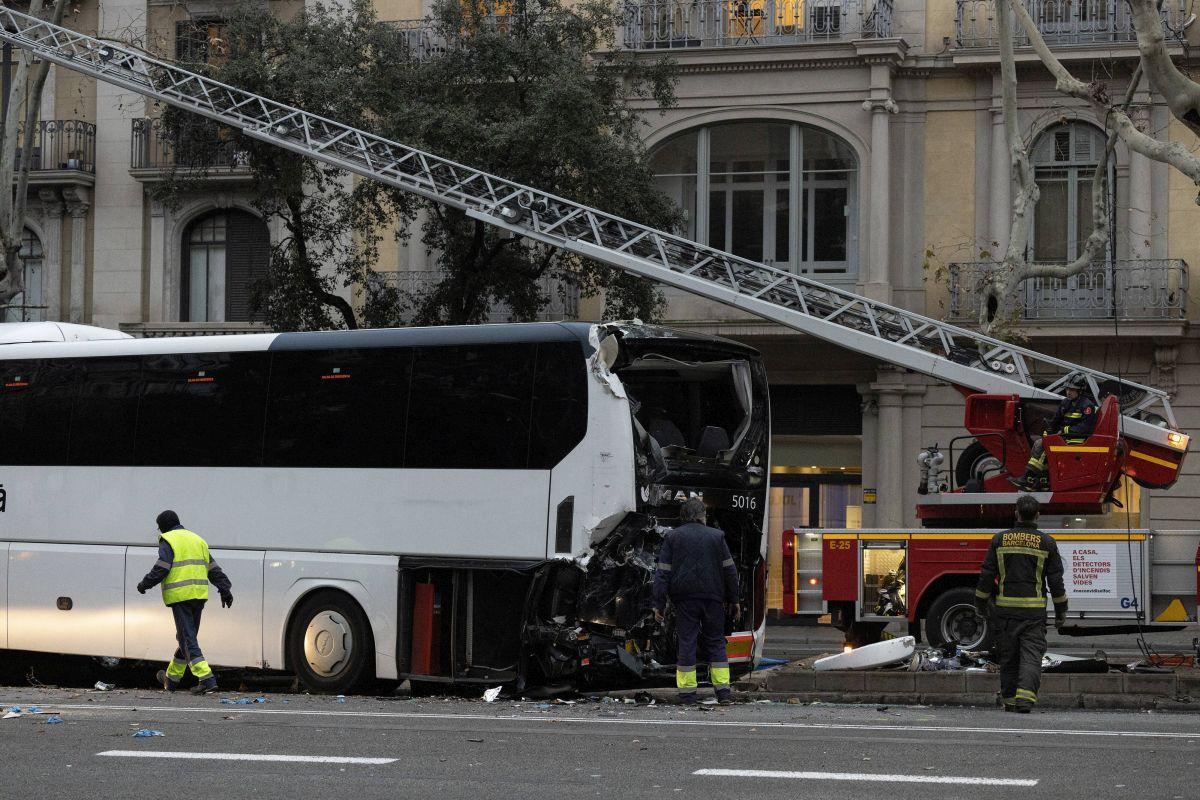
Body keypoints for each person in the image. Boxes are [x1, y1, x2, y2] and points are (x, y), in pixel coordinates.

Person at [974, 495, 1067, 713]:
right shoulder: (1047, 542)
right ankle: (1025, 700)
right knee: (1031, 657)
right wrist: (1062, 612)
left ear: (1016, 513)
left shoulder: (999, 540)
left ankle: (1009, 700)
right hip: (1033, 614)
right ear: (1037, 515)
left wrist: (979, 604)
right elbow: (1056, 582)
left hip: (1005, 613)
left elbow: (987, 576)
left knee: (1009, 658)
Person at [652, 498, 740, 705]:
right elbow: (730, 571)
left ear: (684, 516)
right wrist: (734, 599)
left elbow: (662, 573)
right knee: (716, 641)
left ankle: (687, 694)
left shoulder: (673, 537)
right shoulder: (717, 537)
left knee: (687, 641)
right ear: (702, 516)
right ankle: (724, 692)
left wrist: (658, 603)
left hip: (684, 600)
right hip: (713, 599)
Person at [136, 510, 233, 695]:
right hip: (199, 596)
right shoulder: (198, 540)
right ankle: (171, 679)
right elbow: (213, 569)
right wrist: (225, 589)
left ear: (163, 526)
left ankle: (207, 679)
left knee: (188, 639)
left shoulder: (169, 539)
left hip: (181, 597)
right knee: (186, 638)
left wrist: (144, 584)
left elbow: (162, 567)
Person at [1020, 374, 1098, 490]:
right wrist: (1048, 431)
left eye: (1072, 389)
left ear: (1080, 391)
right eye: (1067, 389)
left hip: (1077, 439)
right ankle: (1041, 479)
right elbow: (1056, 420)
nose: (1068, 392)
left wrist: (1064, 430)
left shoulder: (1087, 406)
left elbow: (1085, 429)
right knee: (1039, 442)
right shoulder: (1066, 403)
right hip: (1065, 436)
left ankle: (1029, 478)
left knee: (1043, 445)